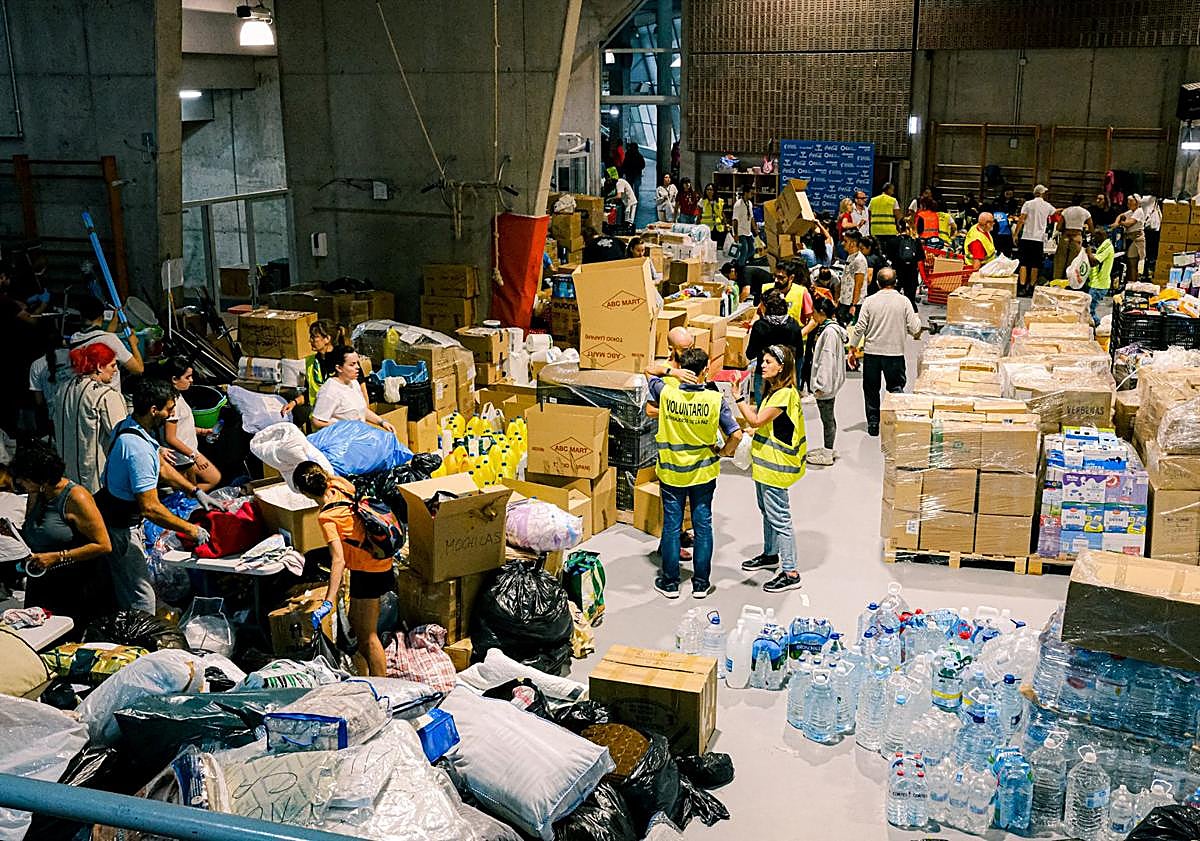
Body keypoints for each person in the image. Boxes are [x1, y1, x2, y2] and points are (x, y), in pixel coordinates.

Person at [96, 377, 214, 613]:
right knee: (142, 598)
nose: (171, 414)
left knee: (132, 589)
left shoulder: (130, 426)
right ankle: (140, 635)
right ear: (153, 410)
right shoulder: (137, 449)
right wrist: (191, 530)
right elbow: (150, 508)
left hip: (120, 520)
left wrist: (194, 491)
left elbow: (162, 468)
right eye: (169, 409)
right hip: (120, 528)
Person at [648, 347, 742, 599]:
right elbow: (736, 435)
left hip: (671, 472)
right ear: (705, 370)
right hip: (703, 474)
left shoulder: (667, 394)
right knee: (703, 526)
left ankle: (670, 583)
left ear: (682, 369)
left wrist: (672, 372)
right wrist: (723, 452)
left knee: (671, 526)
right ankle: (701, 583)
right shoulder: (714, 399)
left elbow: (648, 370)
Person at [296, 461, 392, 676]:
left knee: (368, 637)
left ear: (304, 493)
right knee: (357, 627)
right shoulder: (339, 485)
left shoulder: (327, 518)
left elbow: (338, 560)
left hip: (369, 570)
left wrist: (328, 601)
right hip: (373, 562)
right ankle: (365, 678)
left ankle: (383, 686)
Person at [11, 440, 113, 630]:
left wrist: (57, 557)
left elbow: (103, 545)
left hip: (73, 585)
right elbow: (37, 531)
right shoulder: (36, 493)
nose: (19, 483)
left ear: (41, 479)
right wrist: (13, 533)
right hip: (40, 580)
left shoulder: (76, 498)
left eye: (24, 478)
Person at [734, 344, 805, 593]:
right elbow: (768, 425)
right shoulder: (774, 391)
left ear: (781, 367)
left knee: (780, 518)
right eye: (763, 361)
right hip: (765, 464)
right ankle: (770, 554)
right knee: (767, 512)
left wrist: (738, 398)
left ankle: (791, 572)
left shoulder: (784, 394)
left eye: (768, 362)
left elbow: (756, 419)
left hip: (776, 467)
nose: (762, 366)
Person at [848, 268, 923, 436]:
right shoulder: (904, 302)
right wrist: (917, 318)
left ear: (877, 283)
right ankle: (893, 422)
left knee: (871, 389)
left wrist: (852, 348)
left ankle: (873, 424)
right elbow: (915, 328)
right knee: (895, 388)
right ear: (896, 282)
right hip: (895, 354)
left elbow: (860, 327)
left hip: (872, 353)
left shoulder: (869, 301)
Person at [53, 343, 128, 493]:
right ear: (99, 367)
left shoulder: (62, 389)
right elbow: (124, 436)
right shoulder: (106, 395)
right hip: (97, 480)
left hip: (68, 478)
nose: (115, 370)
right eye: (112, 365)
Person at [155, 357, 221, 492]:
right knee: (200, 484)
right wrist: (194, 456)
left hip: (189, 454)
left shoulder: (178, 396)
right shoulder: (172, 403)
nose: (191, 380)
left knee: (207, 481)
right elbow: (170, 438)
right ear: (174, 379)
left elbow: (182, 427)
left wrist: (202, 431)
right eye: (187, 377)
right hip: (182, 458)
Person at [311, 346, 396, 433]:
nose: (357, 367)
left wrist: (382, 422)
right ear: (339, 368)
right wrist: (343, 426)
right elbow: (317, 421)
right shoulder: (330, 390)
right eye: (352, 364)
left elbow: (362, 411)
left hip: (358, 435)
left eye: (357, 363)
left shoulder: (354, 383)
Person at [68, 295, 144, 391]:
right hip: (107, 394)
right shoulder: (109, 339)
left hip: (84, 392)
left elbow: (103, 337)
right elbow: (138, 369)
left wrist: (115, 319)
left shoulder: (74, 338)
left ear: (81, 316)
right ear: (102, 316)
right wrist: (133, 344)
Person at [807, 297, 848, 466]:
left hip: (826, 385)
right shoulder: (830, 329)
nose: (812, 315)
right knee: (829, 418)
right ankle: (828, 448)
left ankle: (827, 453)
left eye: (814, 312)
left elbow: (827, 360)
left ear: (822, 312)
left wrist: (821, 386)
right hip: (830, 383)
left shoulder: (829, 333)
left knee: (827, 419)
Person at [281, 320, 347, 419]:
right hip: (319, 420)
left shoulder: (344, 360)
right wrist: (294, 403)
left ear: (327, 339)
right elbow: (310, 395)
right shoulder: (310, 362)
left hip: (341, 420)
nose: (310, 340)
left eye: (314, 337)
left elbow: (360, 391)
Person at [747, 290, 804, 402]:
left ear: (766, 307)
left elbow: (750, 354)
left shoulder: (760, 326)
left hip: (764, 377)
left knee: (763, 409)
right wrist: (796, 382)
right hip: (785, 377)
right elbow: (799, 356)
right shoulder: (793, 325)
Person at [28, 324, 73, 434]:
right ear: (62, 341)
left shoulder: (36, 365)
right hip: (73, 411)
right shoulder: (73, 357)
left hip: (53, 415)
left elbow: (39, 400)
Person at [1015, 185, 1056, 293]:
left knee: (1023, 263)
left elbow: (1021, 220)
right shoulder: (1047, 206)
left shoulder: (1027, 204)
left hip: (1026, 237)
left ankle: (1022, 286)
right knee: (1035, 264)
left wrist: (1015, 234)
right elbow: (1055, 212)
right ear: (1042, 193)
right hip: (1039, 239)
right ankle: (1032, 287)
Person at [1053, 195, 1093, 280]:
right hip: (1077, 237)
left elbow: (1058, 227)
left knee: (1060, 261)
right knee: (1073, 262)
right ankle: (1069, 281)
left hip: (1065, 237)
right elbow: (1091, 228)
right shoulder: (1085, 212)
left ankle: (1057, 281)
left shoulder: (1066, 211)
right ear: (1081, 202)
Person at [892, 220, 924, 310]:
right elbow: (921, 257)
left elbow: (890, 257)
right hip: (911, 273)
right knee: (910, 301)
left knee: (893, 298)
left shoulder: (893, 241)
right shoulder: (916, 241)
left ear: (898, 228)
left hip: (897, 274)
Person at [1116, 194, 1147, 285]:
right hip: (1128, 238)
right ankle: (1129, 282)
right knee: (1129, 263)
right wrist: (1116, 223)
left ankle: (1133, 283)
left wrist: (1121, 223)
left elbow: (1129, 223)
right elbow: (1120, 215)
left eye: (1131, 201)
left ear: (1136, 203)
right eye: (1128, 201)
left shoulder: (1139, 211)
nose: (1128, 203)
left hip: (1136, 239)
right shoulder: (1130, 212)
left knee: (1133, 262)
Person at [838, 231, 868, 325]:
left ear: (853, 243)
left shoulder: (859, 260)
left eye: (845, 241)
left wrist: (853, 305)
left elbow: (858, 284)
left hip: (853, 304)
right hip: (844, 301)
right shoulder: (850, 257)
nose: (842, 243)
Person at [1086, 232, 1116, 326]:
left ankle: (1098, 326)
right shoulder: (1103, 247)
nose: (1094, 240)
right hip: (1096, 283)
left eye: (1095, 237)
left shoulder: (1107, 248)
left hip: (1099, 285)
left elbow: (1094, 262)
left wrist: (1088, 252)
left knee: (1089, 310)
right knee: (1089, 309)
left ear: (1101, 236)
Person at [868, 182, 902, 259]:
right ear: (888, 189)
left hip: (876, 230)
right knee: (890, 254)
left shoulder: (873, 200)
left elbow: (869, 213)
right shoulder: (893, 200)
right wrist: (899, 227)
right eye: (892, 190)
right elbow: (898, 216)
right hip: (889, 231)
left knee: (877, 253)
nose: (893, 192)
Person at [732, 185, 757, 268]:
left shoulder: (749, 203)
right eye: (751, 193)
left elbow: (751, 217)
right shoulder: (738, 205)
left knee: (752, 250)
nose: (752, 195)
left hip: (747, 231)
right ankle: (740, 267)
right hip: (740, 232)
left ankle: (738, 262)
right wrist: (735, 234)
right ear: (746, 193)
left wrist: (755, 229)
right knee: (744, 251)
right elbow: (735, 220)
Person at [699, 183, 727, 248]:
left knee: (718, 246)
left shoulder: (719, 201)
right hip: (706, 228)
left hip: (718, 228)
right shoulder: (702, 201)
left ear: (714, 191)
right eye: (707, 189)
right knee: (707, 246)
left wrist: (725, 224)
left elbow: (722, 213)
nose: (709, 191)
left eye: (711, 190)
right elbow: (699, 214)